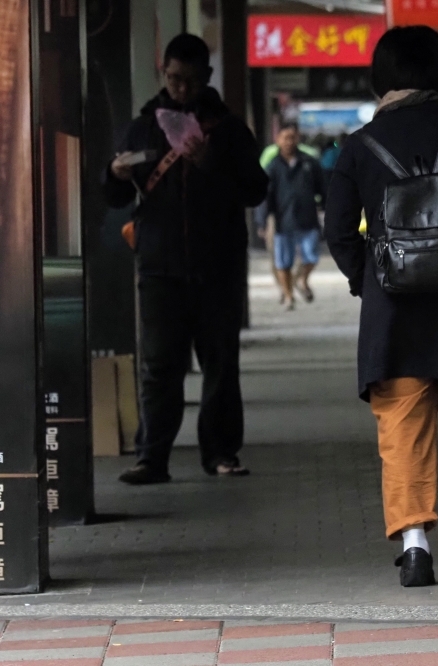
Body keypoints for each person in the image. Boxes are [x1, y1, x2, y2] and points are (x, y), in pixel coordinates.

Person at [325, 26, 438, 587]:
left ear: (380, 79)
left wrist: (372, 283)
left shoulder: (357, 147)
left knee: (402, 427)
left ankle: (414, 548)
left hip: (394, 315)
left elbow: (338, 232)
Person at [104, 34, 268, 484]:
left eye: (190, 81)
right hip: (158, 266)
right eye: (174, 79)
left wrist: (210, 162)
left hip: (218, 267)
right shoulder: (143, 127)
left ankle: (220, 453)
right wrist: (114, 174)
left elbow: (256, 189)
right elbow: (114, 195)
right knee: (159, 365)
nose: (180, 89)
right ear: (164, 73)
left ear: (206, 79)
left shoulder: (229, 130)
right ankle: (151, 457)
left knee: (219, 363)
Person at [256, 121, 326, 310]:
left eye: (292, 137)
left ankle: (301, 279)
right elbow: (264, 195)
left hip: (307, 217)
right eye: (285, 138)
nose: (288, 142)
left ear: (298, 139)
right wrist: (262, 221)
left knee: (311, 257)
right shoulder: (272, 165)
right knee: (283, 262)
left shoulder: (309, 163)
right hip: (282, 220)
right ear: (277, 140)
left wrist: (328, 209)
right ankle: (288, 297)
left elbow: (324, 189)